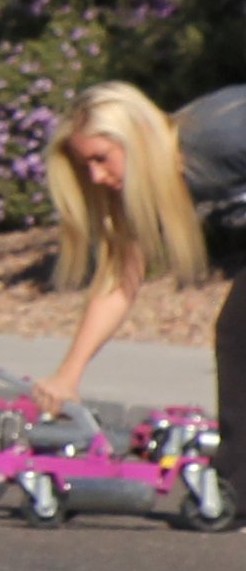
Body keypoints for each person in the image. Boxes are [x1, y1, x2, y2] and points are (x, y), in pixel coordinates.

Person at [31, 81, 246, 424]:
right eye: (85, 166)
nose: (95, 176)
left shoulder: (223, 134)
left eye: (101, 159)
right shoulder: (146, 188)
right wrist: (68, 375)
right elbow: (118, 284)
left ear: (136, 138)